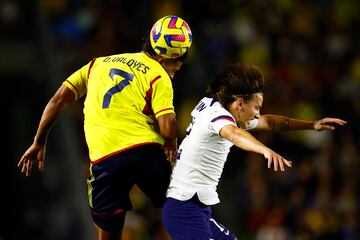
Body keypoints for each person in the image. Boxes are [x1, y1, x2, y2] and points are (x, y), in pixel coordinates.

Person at [18, 15, 192, 240]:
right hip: (146, 151)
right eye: (179, 60)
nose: (179, 67)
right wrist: (170, 140)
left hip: (107, 159)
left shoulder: (96, 65)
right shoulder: (158, 74)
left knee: (109, 234)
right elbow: (168, 129)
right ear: (163, 56)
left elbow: (58, 99)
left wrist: (39, 141)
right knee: (182, 210)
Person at [161, 63, 347, 240]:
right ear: (240, 103)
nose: (258, 114)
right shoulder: (218, 117)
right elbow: (234, 134)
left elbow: (270, 122)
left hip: (196, 207)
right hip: (184, 208)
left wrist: (312, 125)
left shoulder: (214, 106)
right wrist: (264, 150)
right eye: (256, 107)